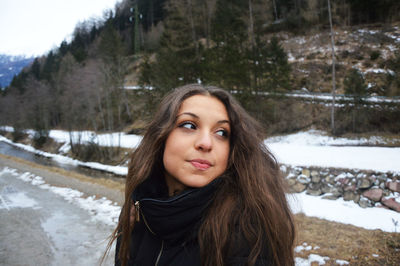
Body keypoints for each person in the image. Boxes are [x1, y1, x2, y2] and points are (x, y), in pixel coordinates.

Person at [108, 84, 295, 266]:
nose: (206, 143)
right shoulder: (138, 209)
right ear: (161, 136)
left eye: (221, 132)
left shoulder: (248, 231)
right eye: (189, 125)